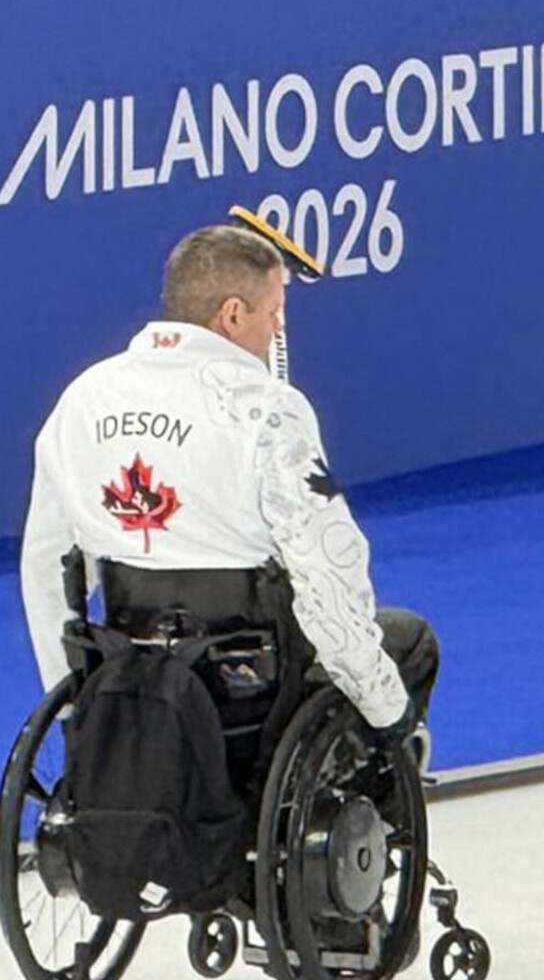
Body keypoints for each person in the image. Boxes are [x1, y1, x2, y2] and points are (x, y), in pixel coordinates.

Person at [20, 225, 433, 748]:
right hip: (251, 684)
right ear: (233, 315)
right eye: (274, 312)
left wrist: (75, 701)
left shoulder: (81, 399)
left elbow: (45, 560)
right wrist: (386, 707)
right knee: (409, 642)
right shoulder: (273, 412)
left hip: (125, 672)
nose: (278, 327)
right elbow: (329, 564)